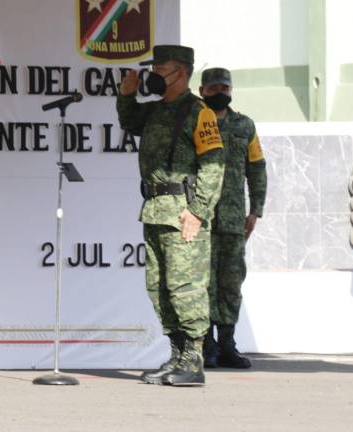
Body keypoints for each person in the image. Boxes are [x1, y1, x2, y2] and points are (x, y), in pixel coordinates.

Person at [117, 45, 225, 386]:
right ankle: (177, 354)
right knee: (160, 287)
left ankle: (193, 360)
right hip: (154, 210)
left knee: (185, 287)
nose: (154, 74)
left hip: (181, 214)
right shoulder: (157, 111)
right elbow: (130, 121)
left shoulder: (199, 112)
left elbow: (213, 166)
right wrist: (127, 96)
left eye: (160, 68)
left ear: (180, 71)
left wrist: (198, 211)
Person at [198, 68, 267, 369]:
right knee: (202, 283)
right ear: (201, 91)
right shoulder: (195, 121)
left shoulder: (244, 125)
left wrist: (255, 211)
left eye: (224, 88)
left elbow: (257, 169)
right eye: (213, 88)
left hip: (233, 220)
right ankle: (206, 346)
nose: (219, 93)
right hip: (201, 219)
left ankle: (227, 344)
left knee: (230, 282)